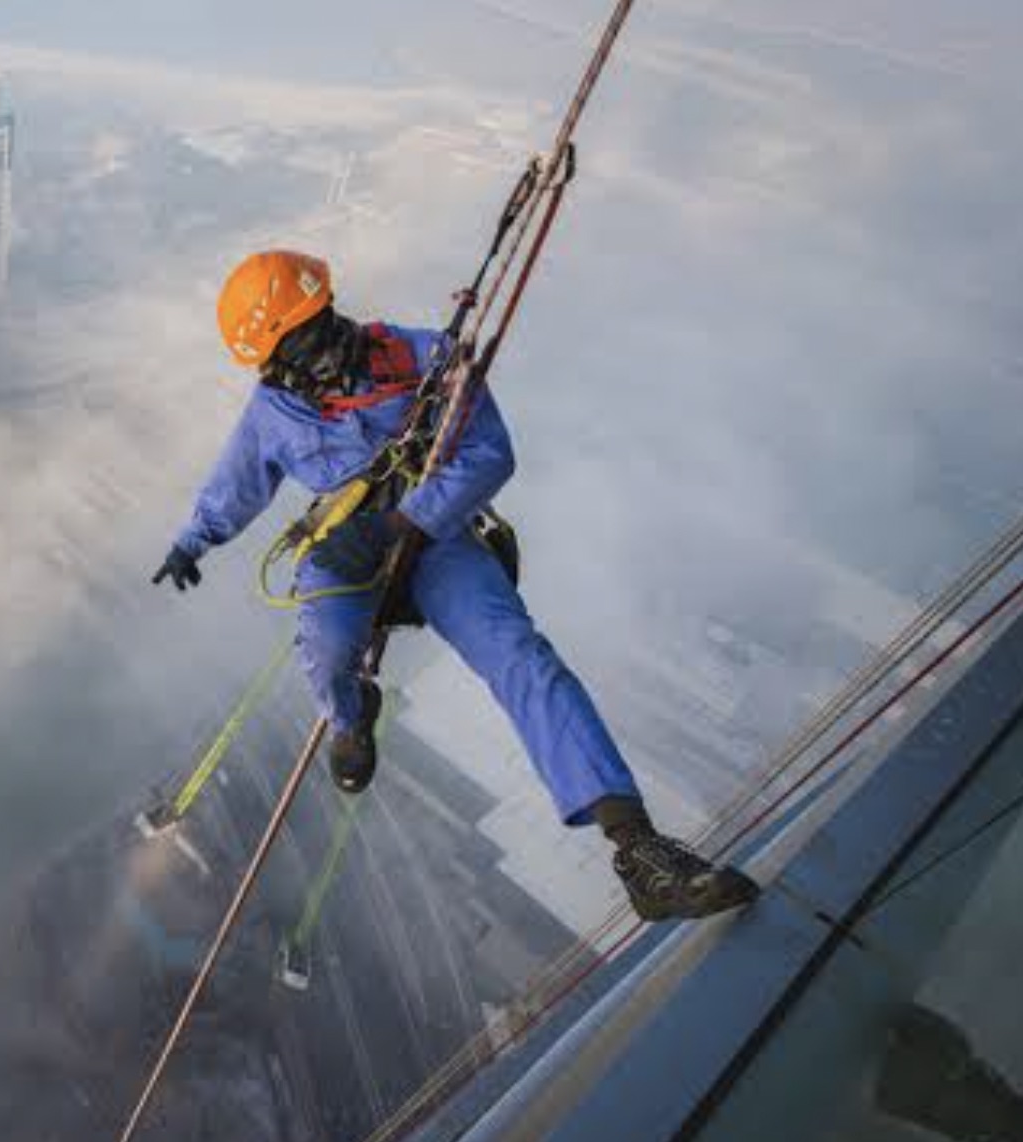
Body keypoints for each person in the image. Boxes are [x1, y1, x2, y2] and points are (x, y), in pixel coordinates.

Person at [152, 250, 756, 922]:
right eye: (293, 344)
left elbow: (488, 452)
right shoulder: (275, 408)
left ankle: (636, 848)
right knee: (325, 649)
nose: (313, 351)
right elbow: (239, 479)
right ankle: (351, 723)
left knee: (521, 658)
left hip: (433, 540)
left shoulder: (423, 360)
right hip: (342, 549)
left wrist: (403, 523)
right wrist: (193, 540)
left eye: (314, 325)